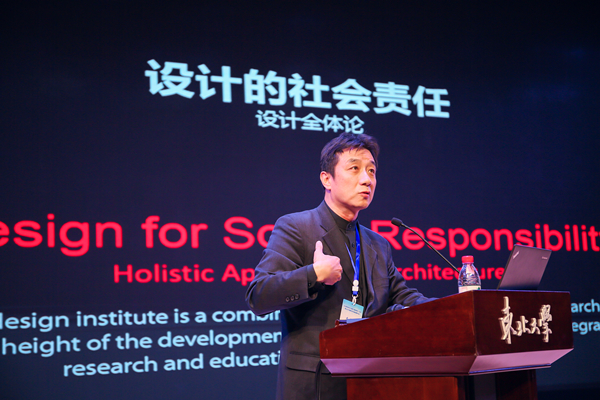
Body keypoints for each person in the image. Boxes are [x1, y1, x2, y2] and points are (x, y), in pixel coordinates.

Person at [245, 133, 433, 400]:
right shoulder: (296, 227)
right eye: (354, 168)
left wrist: (453, 308)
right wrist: (313, 275)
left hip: (369, 380)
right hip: (315, 384)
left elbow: (402, 296)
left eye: (371, 171)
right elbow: (259, 295)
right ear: (327, 179)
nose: (367, 179)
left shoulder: (377, 243)